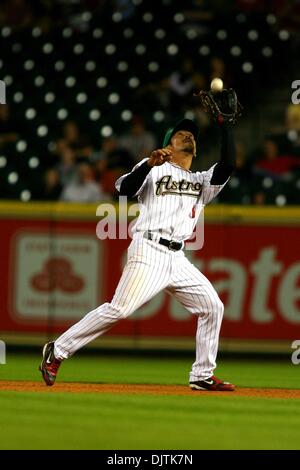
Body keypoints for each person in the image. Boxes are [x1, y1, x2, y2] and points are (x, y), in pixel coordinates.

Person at [39, 117, 236, 392]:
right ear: (168, 145)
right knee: (120, 309)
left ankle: (202, 374)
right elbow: (124, 189)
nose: (188, 136)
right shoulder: (154, 169)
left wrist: (225, 126)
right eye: (181, 134)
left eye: (192, 135)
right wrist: (148, 164)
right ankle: (58, 349)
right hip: (149, 249)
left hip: (178, 258)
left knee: (212, 307)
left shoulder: (202, 181)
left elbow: (227, 166)